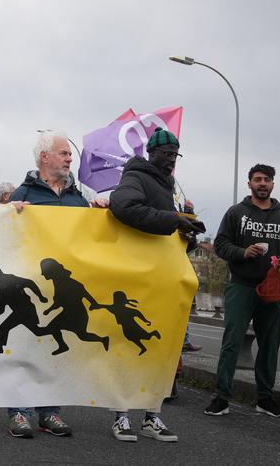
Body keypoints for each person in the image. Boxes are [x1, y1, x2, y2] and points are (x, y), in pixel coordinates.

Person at [2, 130, 106, 439]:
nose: (69, 158)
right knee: (25, 348)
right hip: (31, 285)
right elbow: (4, 235)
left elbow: (90, 239)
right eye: (63, 153)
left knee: (56, 349)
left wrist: (101, 215)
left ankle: (50, 412)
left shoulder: (78, 198)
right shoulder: (24, 192)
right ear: (44, 157)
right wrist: (9, 214)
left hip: (63, 290)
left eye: (69, 154)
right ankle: (19, 412)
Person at [108, 128, 204, 442]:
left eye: (175, 155)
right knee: (127, 347)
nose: (171, 160)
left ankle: (152, 416)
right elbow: (123, 207)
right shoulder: (136, 176)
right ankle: (121, 416)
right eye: (166, 154)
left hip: (162, 277)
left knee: (159, 349)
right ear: (152, 153)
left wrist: (186, 230)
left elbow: (166, 226)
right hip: (137, 276)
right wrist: (172, 219)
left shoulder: (170, 185)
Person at [204, 163, 280, 419]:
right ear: (249, 184)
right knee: (231, 343)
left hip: (274, 289)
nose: (262, 183)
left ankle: (265, 399)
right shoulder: (236, 213)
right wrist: (243, 252)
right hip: (241, 286)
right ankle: (221, 397)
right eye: (257, 179)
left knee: (270, 346)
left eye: (267, 179)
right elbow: (221, 244)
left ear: (273, 184)